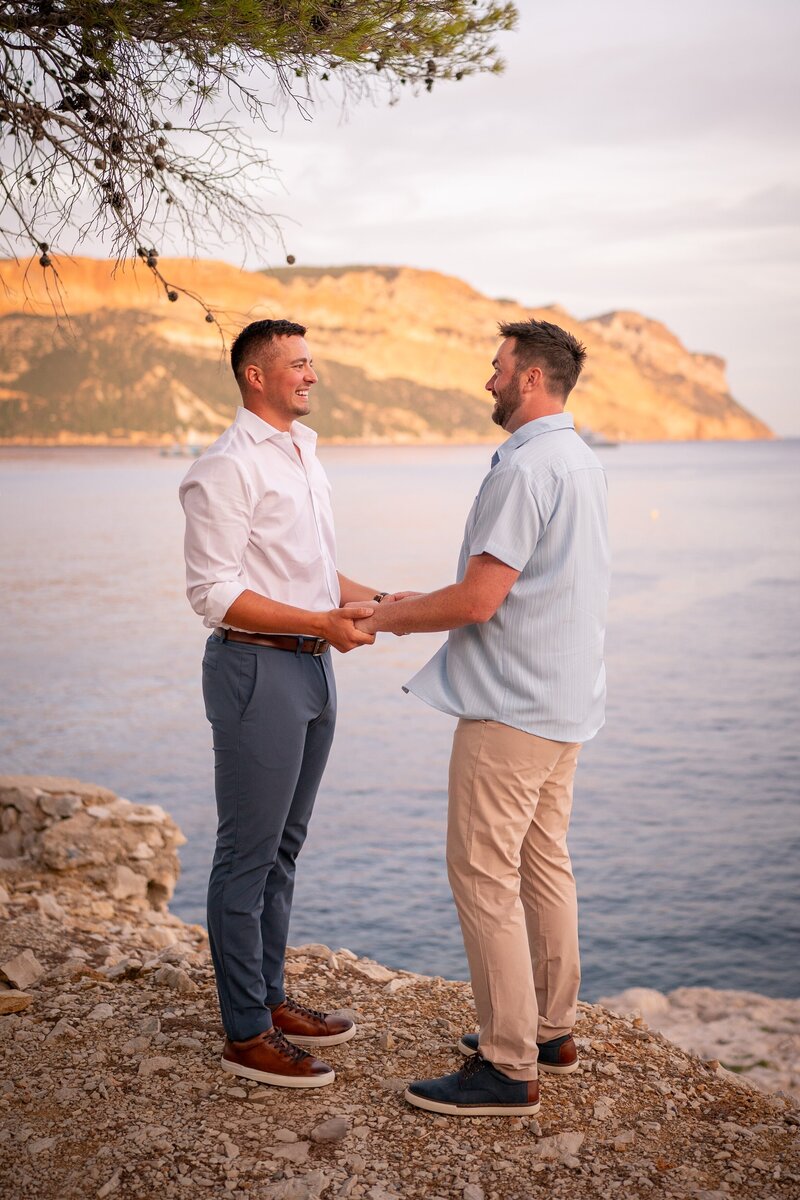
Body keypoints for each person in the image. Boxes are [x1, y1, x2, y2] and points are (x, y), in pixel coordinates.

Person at [353, 318, 610, 1116]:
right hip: (565, 702)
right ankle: (550, 1031)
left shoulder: (526, 469)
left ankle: (507, 1066)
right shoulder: (580, 460)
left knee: (483, 876)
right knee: (543, 862)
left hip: (510, 708)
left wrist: (383, 619)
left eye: (497, 368)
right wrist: (405, 599)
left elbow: (477, 600)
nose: (488, 380)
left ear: (532, 377)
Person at [179, 318, 390, 1089]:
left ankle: (268, 999)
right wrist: (322, 624)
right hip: (257, 670)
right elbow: (215, 593)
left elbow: (315, 572)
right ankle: (244, 1034)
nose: (312, 376)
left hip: (310, 669)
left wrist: (394, 602)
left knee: (285, 848)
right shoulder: (226, 467)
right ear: (255, 377)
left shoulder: (303, 454)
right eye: (298, 365)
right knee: (246, 855)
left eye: (312, 363)